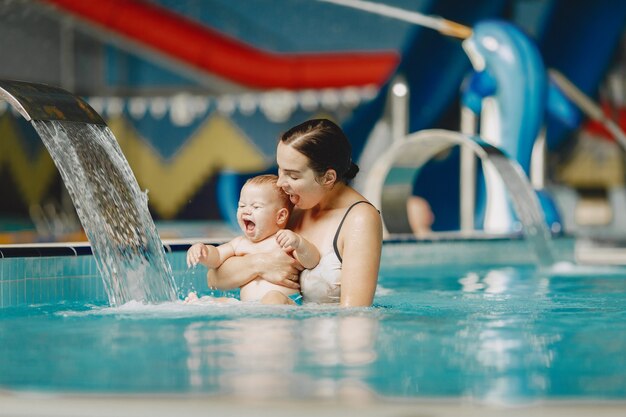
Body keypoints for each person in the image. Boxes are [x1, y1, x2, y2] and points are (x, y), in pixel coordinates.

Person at [207, 119, 383, 307]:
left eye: (293, 175)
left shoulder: (359, 219)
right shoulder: (291, 206)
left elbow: (355, 316)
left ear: (328, 177)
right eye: (279, 170)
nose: (280, 183)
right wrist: (260, 264)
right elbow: (213, 279)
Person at [186, 174, 319, 305]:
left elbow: (312, 261)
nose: (246, 211)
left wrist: (299, 243)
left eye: (256, 207)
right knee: (224, 302)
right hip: (248, 306)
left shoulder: (283, 240)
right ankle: (200, 303)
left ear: (280, 216)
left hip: (284, 301)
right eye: (242, 206)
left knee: (273, 297)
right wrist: (203, 251)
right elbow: (217, 257)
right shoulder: (239, 243)